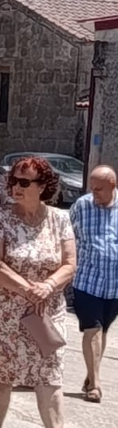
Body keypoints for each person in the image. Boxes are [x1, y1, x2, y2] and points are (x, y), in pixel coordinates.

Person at [0, 157, 80, 428]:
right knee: (0, 374)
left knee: (50, 374)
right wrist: (27, 289)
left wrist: (47, 287)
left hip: (46, 312)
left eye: (24, 182)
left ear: (43, 186)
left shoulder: (60, 220)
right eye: (14, 181)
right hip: (4, 311)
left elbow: (70, 263)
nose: (16, 187)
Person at [70, 165, 118, 403]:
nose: (94, 193)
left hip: (115, 284)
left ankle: (91, 376)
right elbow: (68, 238)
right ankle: (96, 385)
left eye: (99, 189)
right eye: (91, 188)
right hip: (87, 280)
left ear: (113, 186)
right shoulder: (82, 206)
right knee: (93, 329)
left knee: (104, 330)